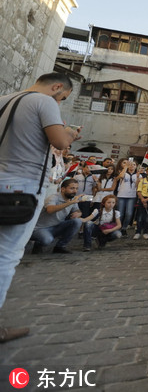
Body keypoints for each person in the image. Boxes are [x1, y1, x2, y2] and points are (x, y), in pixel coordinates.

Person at [0, 73, 79, 343]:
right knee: (6, 256)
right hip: (20, 188)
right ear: (57, 87)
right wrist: (69, 134)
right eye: (64, 97)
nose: (61, 101)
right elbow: (59, 143)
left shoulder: (3, 100)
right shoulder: (44, 102)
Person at [30, 179, 83, 254]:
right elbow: (50, 210)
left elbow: (78, 210)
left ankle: (60, 246)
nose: (75, 191)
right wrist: (69, 203)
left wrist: (78, 213)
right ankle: (38, 243)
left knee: (77, 221)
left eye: (76, 188)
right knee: (47, 240)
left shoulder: (72, 199)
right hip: (40, 228)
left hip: (57, 226)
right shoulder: (54, 197)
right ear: (63, 189)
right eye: (72, 188)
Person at [115, 160, 138, 235]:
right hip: (121, 195)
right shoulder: (124, 172)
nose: (132, 166)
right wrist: (125, 167)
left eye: (134, 165)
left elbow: (138, 186)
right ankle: (118, 228)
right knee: (120, 213)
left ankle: (124, 228)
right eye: (130, 165)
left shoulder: (138, 175)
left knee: (129, 214)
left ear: (136, 166)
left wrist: (138, 177)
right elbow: (120, 176)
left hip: (131, 196)